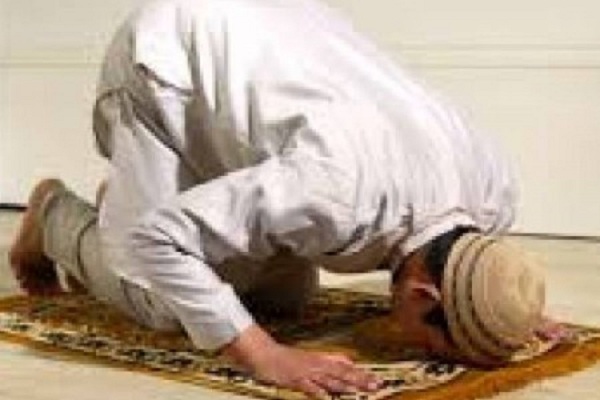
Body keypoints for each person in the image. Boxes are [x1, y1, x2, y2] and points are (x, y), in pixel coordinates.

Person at [9, 0, 562, 397]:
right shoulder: (337, 195)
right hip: (167, 58)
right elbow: (158, 239)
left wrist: (502, 310)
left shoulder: (492, 189)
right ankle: (52, 216)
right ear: (423, 295)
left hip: (260, 47)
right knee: (165, 301)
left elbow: (481, 265)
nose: (421, 353)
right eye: (433, 349)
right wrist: (264, 356)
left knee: (282, 301)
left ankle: (133, 196)